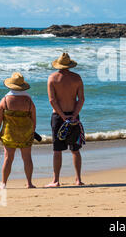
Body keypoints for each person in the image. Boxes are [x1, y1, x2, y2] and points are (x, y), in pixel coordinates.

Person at [46, 53, 85, 187]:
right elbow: (81, 99)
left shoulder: (52, 78)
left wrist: (62, 116)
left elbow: (52, 100)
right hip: (74, 114)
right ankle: (78, 179)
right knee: (75, 149)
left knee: (57, 150)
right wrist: (74, 115)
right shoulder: (77, 78)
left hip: (58, 116)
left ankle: (56, 180)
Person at [0, 72, 36, 189]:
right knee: (27, 157)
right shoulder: (28, 101)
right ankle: (29, 183)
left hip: (9, 134)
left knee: (8, 158)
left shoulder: (5, 100)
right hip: (26, 133)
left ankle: (3, 184)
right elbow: (33, 118)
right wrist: (32, 131)